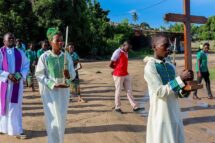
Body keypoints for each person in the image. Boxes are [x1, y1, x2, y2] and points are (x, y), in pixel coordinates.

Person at [144, 34, 193, 143]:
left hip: (174, 113)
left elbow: (178, 93)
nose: (168, 48)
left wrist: (186, 87)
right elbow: (160, 91)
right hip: (160, 115)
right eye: (165, 45)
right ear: (154, 47)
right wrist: (180, 79)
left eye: (169, 45)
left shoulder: (171, 66)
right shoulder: (150, 67)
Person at [35, 28, 76, 143]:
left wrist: (68, 75)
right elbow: (39, 74)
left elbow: (73, 74)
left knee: (61, 118)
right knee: (52, 119)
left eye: (62, 40)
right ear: (50, 42)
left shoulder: (66, 56)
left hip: (63, 93)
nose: (60, 43)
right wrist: (53, 84)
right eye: (57, 40)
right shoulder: (44, 57)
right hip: (49, 93)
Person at [0, 33, 29, 139]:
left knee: (15, 107)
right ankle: (3, 128)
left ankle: (17, 130)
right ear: (4, 41)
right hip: (4, 83)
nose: (11, 39)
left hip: (17, 83)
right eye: (9, 38)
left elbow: (26, 65)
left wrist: (20, 75)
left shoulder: (20, 52)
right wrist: (7, 75)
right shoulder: (1, 52)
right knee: (3, 106)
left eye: (13, 38)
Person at [109, 40, 144, 114]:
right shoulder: (117, 52)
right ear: (123, 45)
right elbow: (110, 64)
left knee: (129, 91)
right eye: (128, 48)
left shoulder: (126, 52)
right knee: (118, 91)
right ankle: (117, 108)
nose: (129, 50)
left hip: (125, 74)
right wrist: (116, 69)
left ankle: (135, 107)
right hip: (118, 75)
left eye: (129, 48)